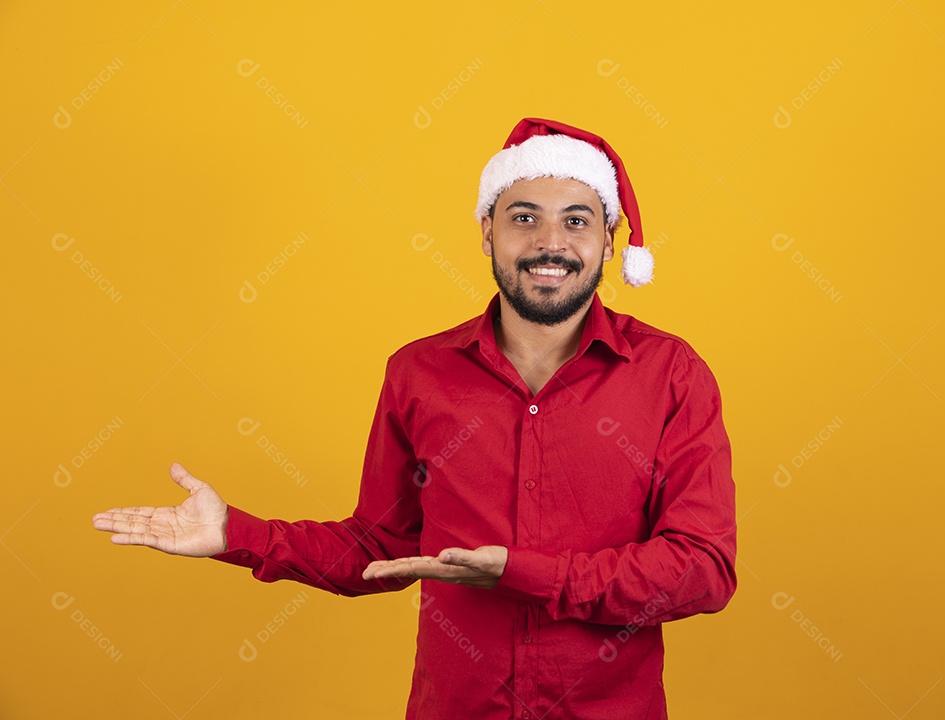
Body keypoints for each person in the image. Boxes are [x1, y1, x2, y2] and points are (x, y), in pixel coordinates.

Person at [93, 117, 738, 720]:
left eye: (577, 220)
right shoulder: (419, 374)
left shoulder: (672, 375)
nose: (550, 243)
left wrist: (520, 572)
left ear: (609, 238)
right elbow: (381, 545)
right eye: (523, 218)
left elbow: (705, 569)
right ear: (488, 231)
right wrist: (238, 533)